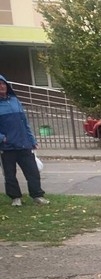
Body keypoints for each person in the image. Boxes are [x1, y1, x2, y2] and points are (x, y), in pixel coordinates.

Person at [0, 74, 48, 206]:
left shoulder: (15, 101)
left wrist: (31, 140)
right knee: (10, 175)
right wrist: (3, 138)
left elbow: (24, 122)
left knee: (32, 171)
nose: (2, 86)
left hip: (24, 144)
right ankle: (16, 198)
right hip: (7, 147)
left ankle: (37, 195)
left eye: (3, 84)